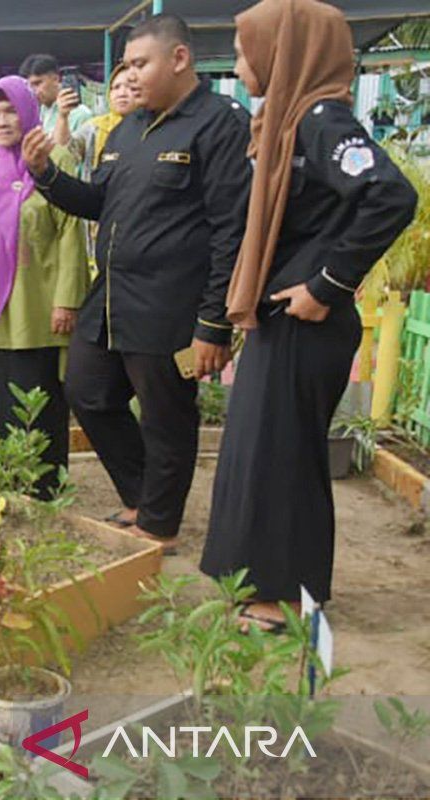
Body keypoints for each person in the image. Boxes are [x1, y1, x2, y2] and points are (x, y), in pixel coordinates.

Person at [201, 0, 418, 631]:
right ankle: (262, 584)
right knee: (259, 450)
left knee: (282, 456)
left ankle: (280, 597)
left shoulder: (323, 121)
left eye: (246, 52)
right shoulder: (286, 122)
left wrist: (326, 282)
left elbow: (389, 194)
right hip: (283, 320)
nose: (240, 66)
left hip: (308, 320)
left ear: (284, 52)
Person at [23, 14, 252, 551]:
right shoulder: (127, 128)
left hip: (172, 303)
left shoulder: (220, 123)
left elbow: (230, 229)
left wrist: (213, 323)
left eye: (141, 64)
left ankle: (160, 524)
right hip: (112, 297)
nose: (132, 76)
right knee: (88, 392)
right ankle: (141, 495)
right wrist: (47, 176)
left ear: (179, 59)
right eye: (127, 65)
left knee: (167, 414)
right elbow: (99, 201)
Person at [0, 76, 89, 496]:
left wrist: (67, 300)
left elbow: (72, 232)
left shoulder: (55, 159)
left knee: (39, 399)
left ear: (29, 111)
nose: (2, 121)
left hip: (40, 307)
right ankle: (5, 487)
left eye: (10, 110)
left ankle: (44, 490)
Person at [72, 63, 135, 178]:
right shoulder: (95, 127)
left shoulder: (152, 129)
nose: (122, 93)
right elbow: (68, 154)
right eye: (116, 87)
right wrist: (62, 116)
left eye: (130, 87)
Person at [19, 54, 93, 150]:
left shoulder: (81, 114)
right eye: (29, 86)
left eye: (37, 83)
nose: (33, 90)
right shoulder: (38, 113)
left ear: (56, 79)